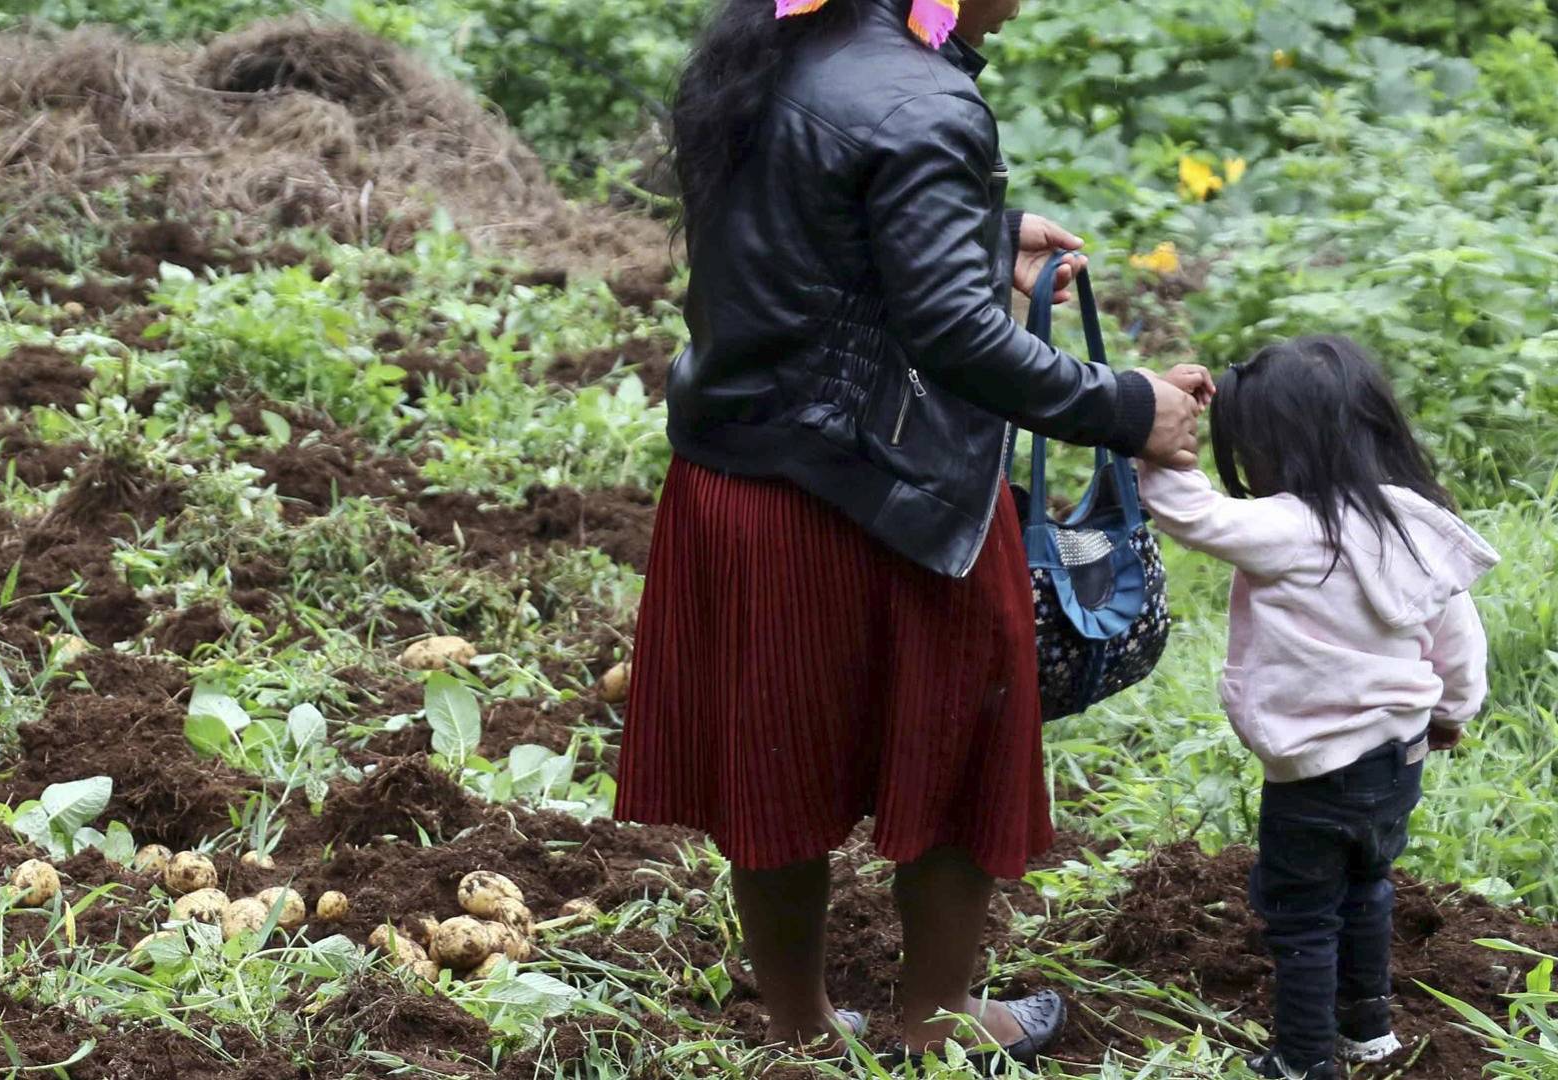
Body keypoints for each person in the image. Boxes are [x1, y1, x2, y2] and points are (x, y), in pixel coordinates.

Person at [613, 0, 1209, 1067]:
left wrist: (979, 237)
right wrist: (1130, 406)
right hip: (886, 490)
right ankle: (937, 1020)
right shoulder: (925, 98)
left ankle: (798, 1026)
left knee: (774, 750)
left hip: (740, 477)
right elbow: (955, 333)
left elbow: (804, 233)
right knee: (964, 730)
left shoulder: (769, 44)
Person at [1136, 336, 1497, 1080]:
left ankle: (1303, 1060)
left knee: (1301, 916)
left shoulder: (1291, 527)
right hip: (1398, 759)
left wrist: (1153, 423)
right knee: (1368, 889)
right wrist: (1453, 714)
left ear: (1273, 446)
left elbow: (1189, 512)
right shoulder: (1414, 522)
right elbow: (1459, 640)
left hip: (1315, 773)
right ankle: (1369, 1033)